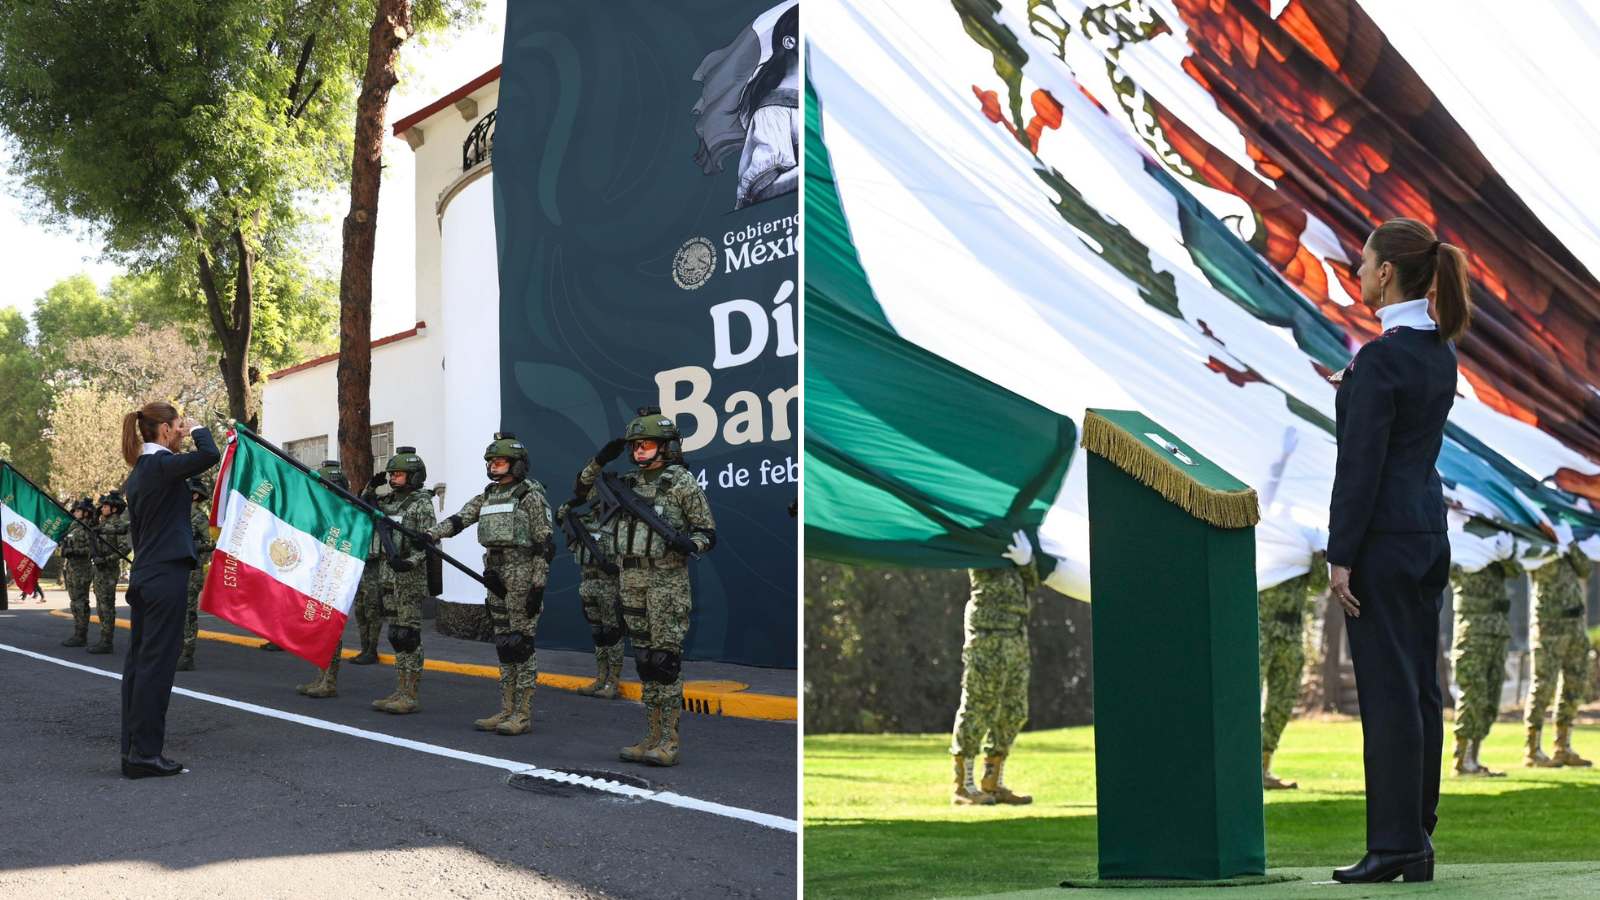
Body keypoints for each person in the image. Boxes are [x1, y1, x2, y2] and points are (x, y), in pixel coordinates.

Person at [1326, 218, 1471, 884]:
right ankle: (1417, 835)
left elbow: (1361, 467)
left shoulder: (1379, 359)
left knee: (1388, 695)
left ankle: (1393, 845)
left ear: (1386, 273)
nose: (1358, 271)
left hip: (1382, 543)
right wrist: (1354, 389)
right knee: (1419, 692)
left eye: (1364, 262)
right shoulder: (1439, 351)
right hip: (1425, 535)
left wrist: (1340, 554)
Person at [579, 409, 716, 767]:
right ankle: (650, 737)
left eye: (647, 444)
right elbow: (581, 489)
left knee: (664, 661)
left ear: (666, 446)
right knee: (643, 660)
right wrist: (599, 460)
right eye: (636, 446)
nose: (640, 451)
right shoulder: (626, 483)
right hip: (630, 580)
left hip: (666, 582)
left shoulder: (681, 483)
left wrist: (692, 544)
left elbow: (708, 532)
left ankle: (669, 741)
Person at [117, 401, 220, 778]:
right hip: (164, 575)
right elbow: (209, 455)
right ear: (165, 430)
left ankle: (134, 750)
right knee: (157, 666)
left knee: (140, 663)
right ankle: (145, 753)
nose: (181, 431)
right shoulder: (160, 464)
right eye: (178, 426)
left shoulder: (141, 471)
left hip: (147, 574)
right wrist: (198, 429)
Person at [430, 433, 553, 735]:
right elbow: (460, 519)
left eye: (501, 461)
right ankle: (506, 709)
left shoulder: (530, 496)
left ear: (517, 464)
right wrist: (431, 534)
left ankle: (522, 714)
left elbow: (545, 546)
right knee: (504, 644)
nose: (494, 465)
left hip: (522, 575)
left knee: (520, 644)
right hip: (494, 576)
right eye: (491, 461)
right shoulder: (487, 496)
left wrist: (538, 587)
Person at [948, 531, 1038, 805]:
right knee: (978, 708)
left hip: (1016, 635)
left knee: (1014, 711)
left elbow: (1032, 582)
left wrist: (1027, 562)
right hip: (988, 636)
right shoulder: (982, 537)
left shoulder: (1019, 537)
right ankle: (963, 786)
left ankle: (992, 782)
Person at [367, 447, 436, 714]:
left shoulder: (421, 503)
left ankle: (411, 695)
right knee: (395, 634)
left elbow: (428, 541)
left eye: (399, 474)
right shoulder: (387, 501)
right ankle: (399, 689)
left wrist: (410, 563)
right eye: (392, 474)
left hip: (409, 575)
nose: (393, 478)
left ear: (414, 476)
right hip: (388, 573)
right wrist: (370, 487)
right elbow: (362, 506)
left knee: (408, 635)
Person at [1523, 531, 1594, 768]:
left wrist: (1569, 544)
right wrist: (1550, 541)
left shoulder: (1569, 543)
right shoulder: (1536, 544)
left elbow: (1586, 570)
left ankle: (1562, 747)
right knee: (1543, 686)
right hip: (1548, 627)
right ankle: (1533, 749)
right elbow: (1523, 562)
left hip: (1575, 626)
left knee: (1574, 685)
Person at [1260, 553, 1329, 790]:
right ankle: (1240, 767)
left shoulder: (1302, 544)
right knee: (1246, 702)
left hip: (1290, 636)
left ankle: (1263, 767)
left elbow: (1320, 584)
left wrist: (1319, 556)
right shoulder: (1269, 543)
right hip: (1260, 632)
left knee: (1283, 703)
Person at [1449, 548, 1520, 777]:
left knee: (1490, 699)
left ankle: (1474, 760)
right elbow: (1448, 568)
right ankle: (1462, 761)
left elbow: (1516, 571)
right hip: (1472, 635)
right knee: (1473, 695)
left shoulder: (1494, 548)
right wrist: (1474, 551)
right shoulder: (1461, 545)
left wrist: (1502, 552)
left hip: (1498, 632)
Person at [557, 485, 623, 700]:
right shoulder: (584, 520)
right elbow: (560, 516)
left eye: (599, 499)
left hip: (609, 585)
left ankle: (613, 682)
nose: (595, 504)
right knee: (598, 632)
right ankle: (601, 679)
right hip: (588, 583)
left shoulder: (618, 521)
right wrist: (575, 500)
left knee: (612, 632)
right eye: (592, 500)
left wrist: (618, 568)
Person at [295, 461, 353, 698]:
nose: (321, 489)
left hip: (336, 577)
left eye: (326, 485)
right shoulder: (319, 511)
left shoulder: (349, 513)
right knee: (319, 627)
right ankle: (322, 676)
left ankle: (330, 681)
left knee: (330, 629)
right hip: (319, 575)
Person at [176, 477, 214, 672]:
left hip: (192, 573)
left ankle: (187, 656)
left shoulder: (199, 517)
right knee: (176, 613)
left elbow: (211, 542)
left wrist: (189, 546)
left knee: (188, 614)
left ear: (195, 495)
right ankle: (177, 651)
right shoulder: (178, 514)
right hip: (176, 570)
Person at [87, 490, 130, 654]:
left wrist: (107, 559)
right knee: (100, 605)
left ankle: (107, 641)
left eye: (105, 506)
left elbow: (125, 548)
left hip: (108, 569)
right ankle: (103, 639)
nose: (102, 508)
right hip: (98, 568)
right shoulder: (102, 525)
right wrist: (96, 514)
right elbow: (90, 528)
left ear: (114, 509)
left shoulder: (119, 526)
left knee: (107, 606)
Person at [58, 498, 99, 647]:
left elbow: (92, 549)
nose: (74, 513)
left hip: (82, 568)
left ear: (86, 513)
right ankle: (77, 633)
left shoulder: (88, 529)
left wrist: (73, 550)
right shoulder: (74, 527)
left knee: (81, 602)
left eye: (78, 510)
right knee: (74, 602)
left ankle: (82, 635)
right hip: (71, 567)